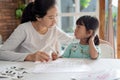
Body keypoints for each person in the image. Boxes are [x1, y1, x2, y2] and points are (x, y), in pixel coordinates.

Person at [0, 0, 72, 62]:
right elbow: (1, 53)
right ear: (38, 17)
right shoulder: (24, 29)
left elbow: (72, 42)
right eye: (51, 18)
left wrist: (56, 56)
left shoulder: (53, 29)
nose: (55, 21)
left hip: (45, 70)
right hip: (24, 72)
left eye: (56, 16)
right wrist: (30, 57)